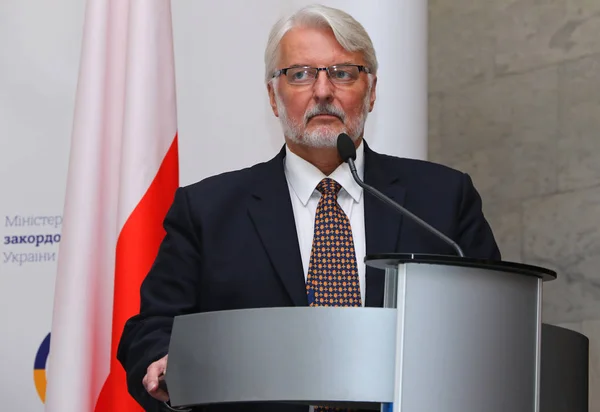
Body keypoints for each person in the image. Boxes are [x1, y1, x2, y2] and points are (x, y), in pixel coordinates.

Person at [117, 4, 501, 412]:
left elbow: (495, 324)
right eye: (299, 74)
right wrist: (165, 365)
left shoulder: (441, 199)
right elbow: (151, 329)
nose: (322, 91)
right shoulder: (209, 211)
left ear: (371, 92)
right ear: (273, 96)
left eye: (342, 72)